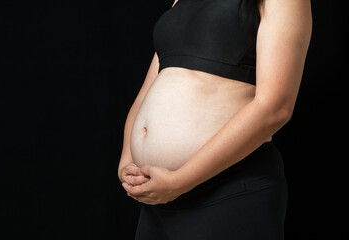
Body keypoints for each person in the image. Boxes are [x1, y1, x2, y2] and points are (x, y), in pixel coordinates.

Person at [118, 0, 312, 239]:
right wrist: (127, 161)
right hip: (158, 202)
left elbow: (275, 107)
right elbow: (146, 93)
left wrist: (180, 180)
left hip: (228, 189)